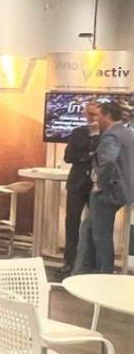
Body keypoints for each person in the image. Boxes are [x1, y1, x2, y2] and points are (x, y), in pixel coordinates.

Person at [75, 99, 134, 274]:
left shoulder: (111, 136)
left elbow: (108, 162)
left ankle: (103, 274)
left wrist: (100, 184)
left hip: (111, 192)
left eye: (99, 115)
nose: (96, 119)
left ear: (107, 115)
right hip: (126, 190)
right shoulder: (128, 133)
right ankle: (83, 271)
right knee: (88, 227)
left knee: (101, 236)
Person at [61, 101, 100, 275]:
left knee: (94, 224)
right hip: (77, 184)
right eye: (88, 114)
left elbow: (103, 157)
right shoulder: (78, 132)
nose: (92, 117)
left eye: (95, 114)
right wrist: (88, 155)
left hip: (96, 186)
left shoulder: (107, 134)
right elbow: (68, 157)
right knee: (72, 223)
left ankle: (91, 264)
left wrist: (88, 152)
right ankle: (69, 261)